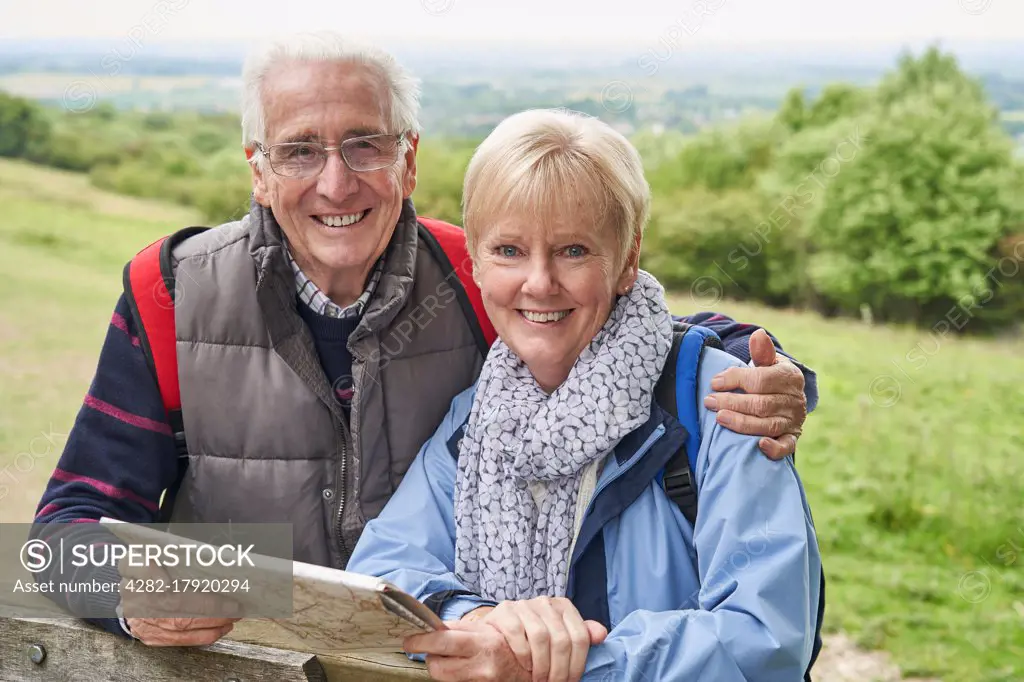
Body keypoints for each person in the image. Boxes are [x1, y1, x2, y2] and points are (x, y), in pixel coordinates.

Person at [32, 32, 816, 647]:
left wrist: (765, 363)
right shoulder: (171, 293)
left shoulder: (475, 277)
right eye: (300, 149)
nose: (336, 183)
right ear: (258, 170)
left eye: (365, 145)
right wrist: (131, 601)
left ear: (409, 161)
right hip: (250, 666)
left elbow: (612, 318)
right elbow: (56, 538)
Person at [347, 108, 823, 682]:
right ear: (474, 261)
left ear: (627, 258)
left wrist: (564, 666)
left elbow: (765, 641)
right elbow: (381, 571)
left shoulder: (726, 402)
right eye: (509, 251)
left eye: (574, 250)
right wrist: (475, 619)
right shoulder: (478, 417)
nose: (540, 282)